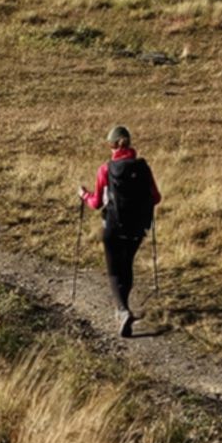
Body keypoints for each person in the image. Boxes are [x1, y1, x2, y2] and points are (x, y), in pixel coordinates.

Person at [80, 125, 159, 337]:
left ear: (112, 146)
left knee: (114, 271)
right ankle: (122, 310)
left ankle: (122, 311)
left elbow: (96, 203)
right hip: (136, 229)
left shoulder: (105, 169)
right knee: (126, 267)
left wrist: (84, 195)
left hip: (113, 227)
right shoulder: (143, 167)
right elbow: (156, 197)